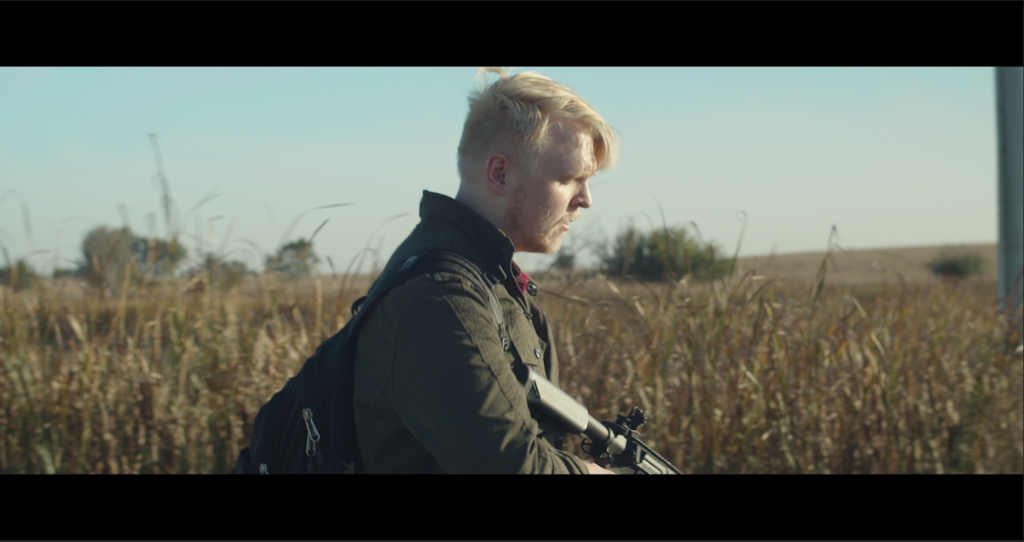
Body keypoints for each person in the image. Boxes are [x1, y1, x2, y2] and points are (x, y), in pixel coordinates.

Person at [352, 67, 620, 474]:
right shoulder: (443, 296)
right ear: (500, 173)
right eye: (569, 179)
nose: (585, 200)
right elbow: (510, 466)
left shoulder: (486, 279)